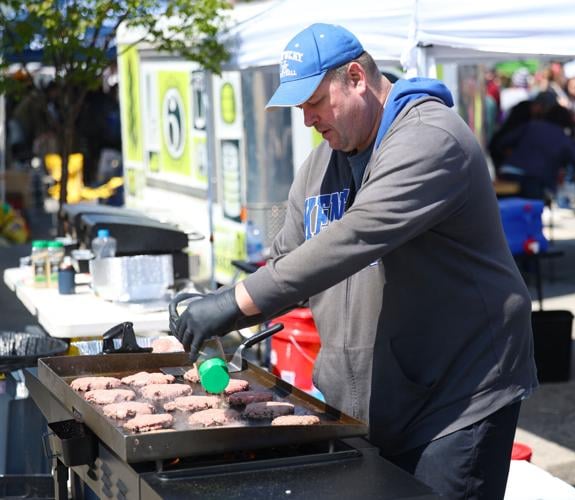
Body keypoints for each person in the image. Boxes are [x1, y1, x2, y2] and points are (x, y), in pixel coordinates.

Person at [170, 23, 537, 499]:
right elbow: (290, 260)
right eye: (300, 107)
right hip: (367, 407)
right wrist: (225, 306)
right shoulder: (323, 163)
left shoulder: (429, 139)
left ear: (356, 77)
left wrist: (234, 301)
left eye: (315, 102)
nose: (307, 120)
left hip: (455, 402)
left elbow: (355, 236)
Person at [495, 104, 575, 200]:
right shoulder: (564, 139)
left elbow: (502, 142)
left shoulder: (532, 125)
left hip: (508, 171)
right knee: (532, 210)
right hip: (533, 179)